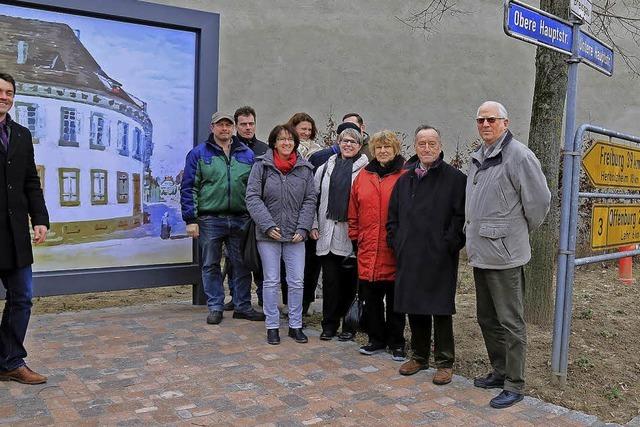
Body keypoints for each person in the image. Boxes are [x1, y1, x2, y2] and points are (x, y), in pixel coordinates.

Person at [467, 101, 550, 409]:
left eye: (491, 119)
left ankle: (515, 384)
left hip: (505, 257)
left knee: (510, 323)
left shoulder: (520, 156)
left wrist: (515, 233)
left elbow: (539, 203)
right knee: (486, 318)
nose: (485, 124)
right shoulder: (480, 156)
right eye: (480, 120)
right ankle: (499, 372)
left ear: (505, 122)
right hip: (480, 254)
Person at [387, 125, 466, 385]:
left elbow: (460, 218)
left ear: (440, 146)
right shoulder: (405, 179)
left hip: (440, 255)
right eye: (422, 143)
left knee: (440, 309)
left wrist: (448, 244)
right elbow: (393, 217)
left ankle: (445, 362)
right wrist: (397, 242)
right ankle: (419, 356)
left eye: (432, 143)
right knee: (415, 306)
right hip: (410, 254)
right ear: (415, 147)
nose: (427, 148)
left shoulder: (455, 179)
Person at [180, 111, 265, 325]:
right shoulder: (198, 154)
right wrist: (191, 219)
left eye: (228, 125)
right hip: (210, 219)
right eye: (220, 125)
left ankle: (242, 305)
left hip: (240, 218)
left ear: (233, 128)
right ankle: (216, 307)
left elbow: (254, 188)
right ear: (212, 127)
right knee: (210, 264)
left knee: (241, 264)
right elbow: (189, 187)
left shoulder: (246, 154)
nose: (224, 129)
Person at [246, 124, 316, 345]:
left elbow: (310, 199)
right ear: (274, 142)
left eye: (290, 140)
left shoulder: (305, 169)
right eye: (282, 139)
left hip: (296, 236)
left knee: (296, 282)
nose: (286, 143)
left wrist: (303, 228)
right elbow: (253, 197)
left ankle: (295, 325)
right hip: (269, 235)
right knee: (271, 281)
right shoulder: (262, 166)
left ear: (295, 143)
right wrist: (267, 225)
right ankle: (272, 326)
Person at [0, 72, 49, 384]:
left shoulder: (20, 134)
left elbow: (31, 181)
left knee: (22, 298)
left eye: (8, 92)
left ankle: (10, 360)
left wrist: (40, 218)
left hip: (15, 234)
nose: (4, 96)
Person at [348, 130, 407, 361]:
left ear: (395, 150)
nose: (383, 151)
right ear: (373, 151)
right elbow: (353, 210)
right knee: (371, 299)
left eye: (387, 147)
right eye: (379, 148)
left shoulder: (404, 175)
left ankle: (397, 342)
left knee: (395, 301)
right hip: (368, 247)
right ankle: (376, 339)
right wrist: (355, 237)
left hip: (394, 248)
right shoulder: (363, 176)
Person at [312, 127, 368, 341]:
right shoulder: (326, 167)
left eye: (353, 142)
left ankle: (349, 325)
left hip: (351, 236)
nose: (348, 145)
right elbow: (313, 198)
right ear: (339, 142)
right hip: (327, 233)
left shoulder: (365, 170)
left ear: (360, 146)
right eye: (345, 141)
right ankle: (329, 324)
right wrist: (313, 225)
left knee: (349, 284)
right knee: (330, 283)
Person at [223, 106, 269, 310]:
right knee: (235, 260)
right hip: (236, 212)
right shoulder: (229, 148)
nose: (248, 127)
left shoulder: (265, 150)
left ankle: (263, 296)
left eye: (251, 123)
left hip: (259, 214)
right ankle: (237, 297)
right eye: (243, 124)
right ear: (236, 126)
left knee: (260, 258)